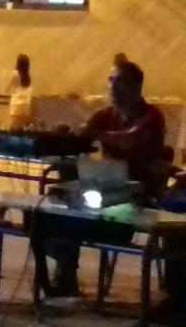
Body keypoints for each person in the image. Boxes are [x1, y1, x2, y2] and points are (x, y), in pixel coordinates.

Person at [37, 61, 168, 297]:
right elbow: (83, 136)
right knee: (46, 217)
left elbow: (129, 140)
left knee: (70, 218)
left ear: (137, 86)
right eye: (111, 80)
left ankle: (65, 273)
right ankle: (65, 272)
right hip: (107, 194)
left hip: (138, 200)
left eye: (120, 81)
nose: (113, 86)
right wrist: (66, 136)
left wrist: (96, 134)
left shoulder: (152, 116)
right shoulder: (104, 115)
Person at [6, 53, 32, 131]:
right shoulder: (28, 76)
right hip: (26, 105)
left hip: (16, 105)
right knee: (21, 129)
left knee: (13, 129)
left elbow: (7, 88)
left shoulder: (15, 74)